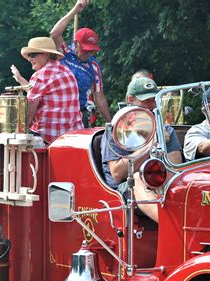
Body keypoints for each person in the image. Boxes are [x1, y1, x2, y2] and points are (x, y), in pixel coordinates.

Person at [101, 77, 182, 222]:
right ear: (131, 100)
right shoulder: (116, 131)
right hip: (122, 191)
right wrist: (151, 144)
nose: (152, 105)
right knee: (138, 178)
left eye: (154, 99)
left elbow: (174, 170)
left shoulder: (166, 130)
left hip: (158, 183)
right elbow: (117, 174)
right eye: (146, 101)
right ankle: (172, 225)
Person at [50, 0, 112, 127]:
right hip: (56, 113)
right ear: (76, 43)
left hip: (79, 115)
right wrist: (75, 10)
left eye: (91, 50)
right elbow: (54, 34)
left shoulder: (94, 66)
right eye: (85, 49)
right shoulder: (64, 52)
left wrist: (110, 122)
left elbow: (99, 96)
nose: (88, 53)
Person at [10, 37, 83, 144]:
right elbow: (38, 91)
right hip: (74, 137)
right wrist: (20, 79)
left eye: (33, 55)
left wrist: (14, 139)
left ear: (46, 54)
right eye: (28, 56)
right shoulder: (67, 71)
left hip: (49, 140)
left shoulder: (40, 76)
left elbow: (27, 117)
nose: (29, 59)